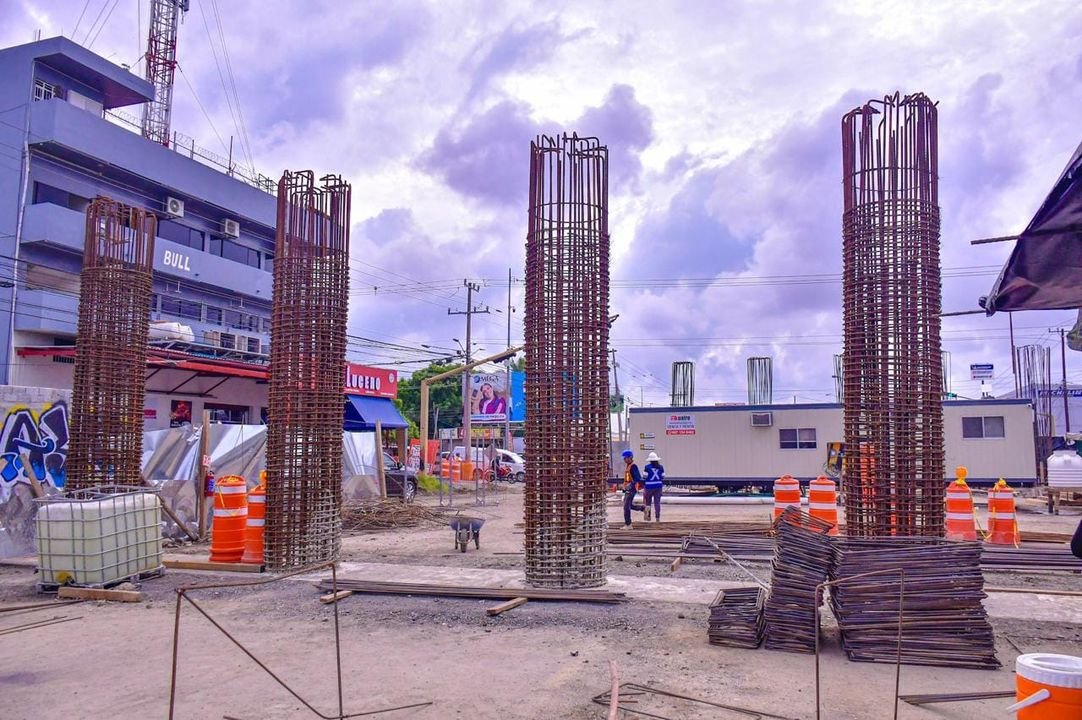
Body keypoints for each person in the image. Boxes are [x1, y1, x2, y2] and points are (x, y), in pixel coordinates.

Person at [621, 449, 644, 528]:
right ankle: (643, 508)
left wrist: (631, 485)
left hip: (631, 489)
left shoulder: (633, 466)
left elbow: (637, 478)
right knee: (628, 505)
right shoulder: (628, 466)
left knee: (626, 506)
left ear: (630, 457)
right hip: (628, 489)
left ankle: (628, 524)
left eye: (625, 458)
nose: (624, 460)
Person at [642, 452, 665, 522]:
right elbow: (663, 476)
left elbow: (644, 476)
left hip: (649, 487)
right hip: (658, 487)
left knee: (648, 502)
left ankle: (648, 518)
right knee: (657, 503)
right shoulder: (661, 467)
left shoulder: (647, 467)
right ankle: (657, 518)